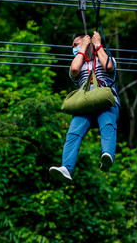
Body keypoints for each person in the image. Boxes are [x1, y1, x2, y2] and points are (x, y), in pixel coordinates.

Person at [49, 31, 120, 181]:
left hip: (105, 100)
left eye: (76, 44)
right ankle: (66, 167)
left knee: (107, 122)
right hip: (86, 104)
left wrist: (97, 45)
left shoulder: (105, 58)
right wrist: (82, 49)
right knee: (73, 132)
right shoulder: (78, 64)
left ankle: (107, 155)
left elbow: (109, 67)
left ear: (86, 43)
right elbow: (74, 70)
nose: (73, 48)